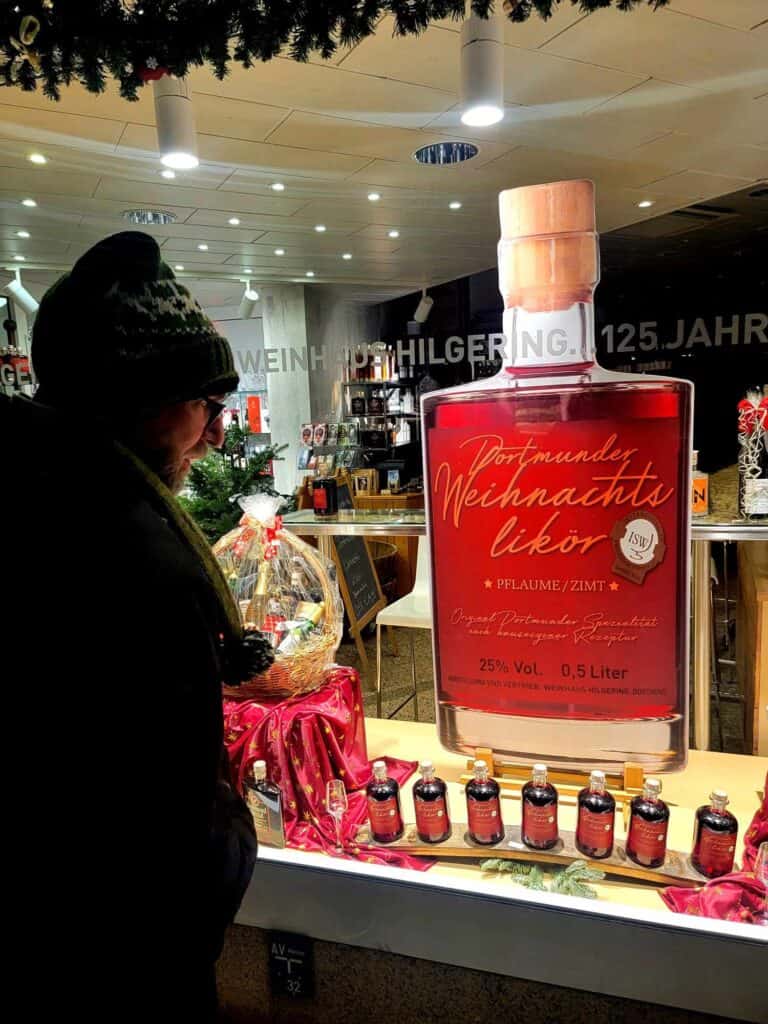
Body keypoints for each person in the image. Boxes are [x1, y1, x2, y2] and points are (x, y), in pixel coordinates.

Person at [1, 232, 272, 1021]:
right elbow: (162, 803)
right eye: (205, 405)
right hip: (123, 949)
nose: (217, 433)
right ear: (149, 405)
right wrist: (235, 841)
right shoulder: (131, 543)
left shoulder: (38, 492)